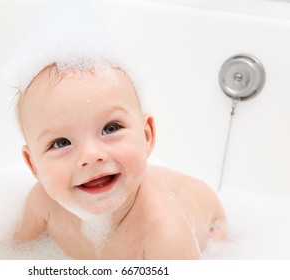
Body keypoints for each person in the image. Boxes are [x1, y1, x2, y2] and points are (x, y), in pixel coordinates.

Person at [12, 60, 227, 259]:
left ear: (146, 136)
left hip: (210, 220)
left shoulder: (165, 234)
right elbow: (15, 255)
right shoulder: (41, 204)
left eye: (111, 128)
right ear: (34, 166)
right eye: (61, 142)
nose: (91, 155)